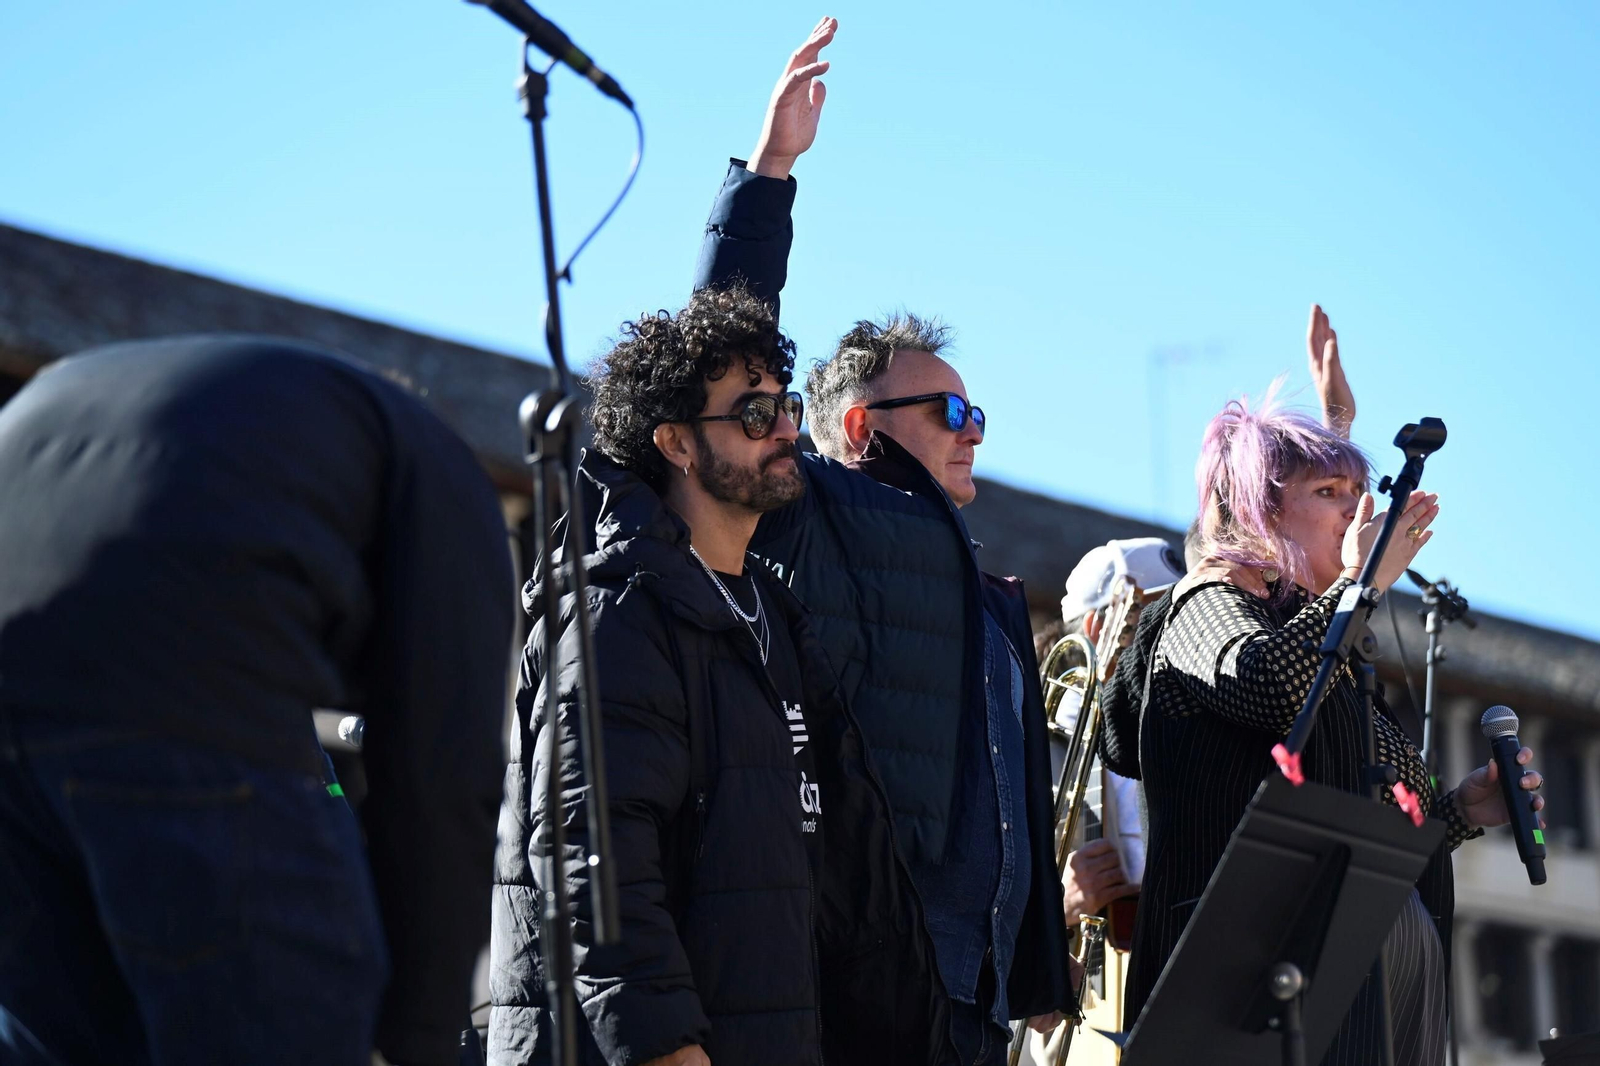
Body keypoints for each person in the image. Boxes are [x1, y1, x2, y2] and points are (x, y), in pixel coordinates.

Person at [691, 19, 1074, 1062]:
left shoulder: (987, 593)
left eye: (978, 410)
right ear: (861, 428)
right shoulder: (813, 506)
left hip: (968, 999)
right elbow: (724, 367)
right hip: (850, 975)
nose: (976, 430)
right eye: (949, 412)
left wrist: (1036, 969)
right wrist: (768, 175)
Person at [0, 337, 516, 1066]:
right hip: (171, 663)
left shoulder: (278, 428)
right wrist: (421, 1040)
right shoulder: (439, 472)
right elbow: (444, 775)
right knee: (302, 1000)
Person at [486, 285, 947, 1066]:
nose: (786, 430)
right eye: (752, 413)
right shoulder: (621, 615)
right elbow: (593, 866)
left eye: (787, 405)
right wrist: (670, 1048)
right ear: (675, 443)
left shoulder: (774, 619)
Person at [1131, 386, 1546, 1066]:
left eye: (1360, 491)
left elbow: (1363, 824)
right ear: (1258, 510)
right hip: (1259, 990)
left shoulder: (1334, 638)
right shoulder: (1208, 599)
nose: (1358, 510)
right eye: (1329, 491)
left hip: (1369, 975)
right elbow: (1265, 684)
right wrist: (1358, 584)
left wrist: (1459, 811)